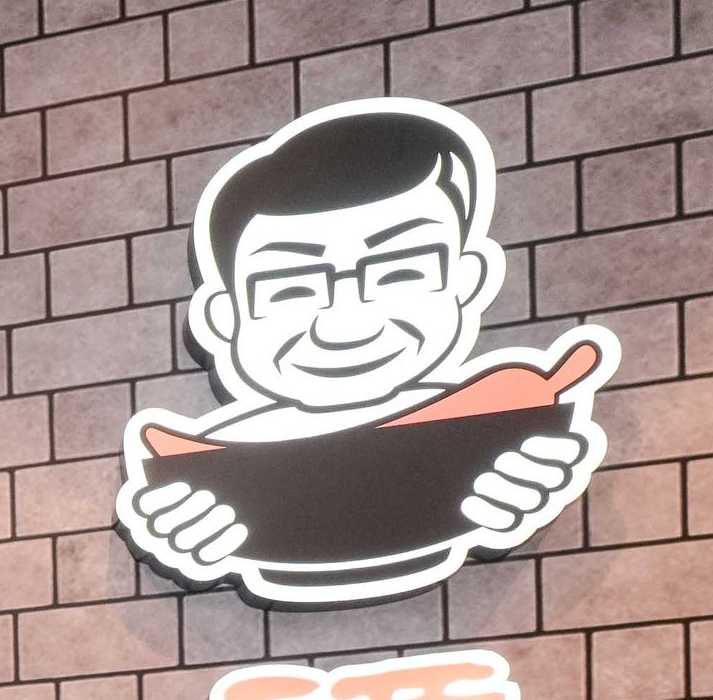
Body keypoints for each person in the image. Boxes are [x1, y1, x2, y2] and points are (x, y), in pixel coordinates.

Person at [120, 97, 610, 600]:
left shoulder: (501, 422)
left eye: (399, 272)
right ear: (223, 318)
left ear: (468, 279)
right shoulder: (218, 458)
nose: (346, 326)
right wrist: (177, 519)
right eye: (291, 288)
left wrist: (530, 476)